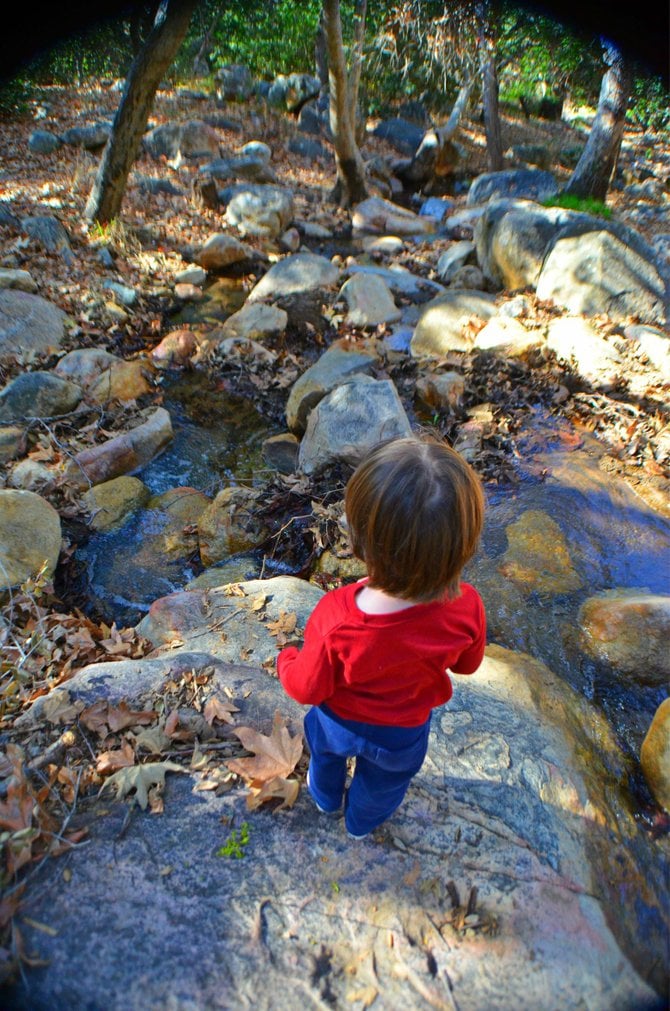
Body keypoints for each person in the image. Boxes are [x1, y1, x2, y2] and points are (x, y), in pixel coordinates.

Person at [277, 434, 486, 839]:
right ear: (464, 545)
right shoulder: (468, 606)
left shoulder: (336, 616)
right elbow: (467, 664)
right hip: (403, 732)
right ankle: (361, 823)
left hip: (338, 722)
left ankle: (324, 798)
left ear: (359, 544)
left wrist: (287, 659)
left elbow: (306, 687)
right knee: (385, 784)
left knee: (324, 755)